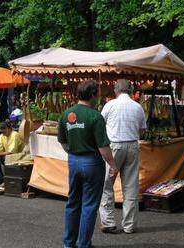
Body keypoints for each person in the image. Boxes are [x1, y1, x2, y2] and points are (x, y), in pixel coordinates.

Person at [58, 80, 118, 248]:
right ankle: (84, 244)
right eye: (97, 93)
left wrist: (73, 153)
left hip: (74, 160)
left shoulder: (66, 114)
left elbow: (62, 142)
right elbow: (103, 147)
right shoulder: (95, 116)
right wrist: (113, 165)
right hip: (92, 163)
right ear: (92, 95)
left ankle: (68, 243)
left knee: (73, 202)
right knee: (90, 205)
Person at [99, 79, 146, 234]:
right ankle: (130, 225)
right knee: (130, 186)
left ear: (116, 90)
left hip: (114, 146)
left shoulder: (110, 105)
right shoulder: (137, 106)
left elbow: (100, 126)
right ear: (131, 90)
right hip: (132, 145)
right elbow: (142, 131)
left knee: (106, 184)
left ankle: (108, 222)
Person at [0, 121, 24, 185]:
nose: (2, 131)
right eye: (1, 129)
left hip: (17, 156)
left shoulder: (14, 134)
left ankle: (7, 180)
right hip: (8, 156)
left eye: (4, 129)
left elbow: (12, 152)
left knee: (0, 157)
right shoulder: (2, 135)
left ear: (10, 128)